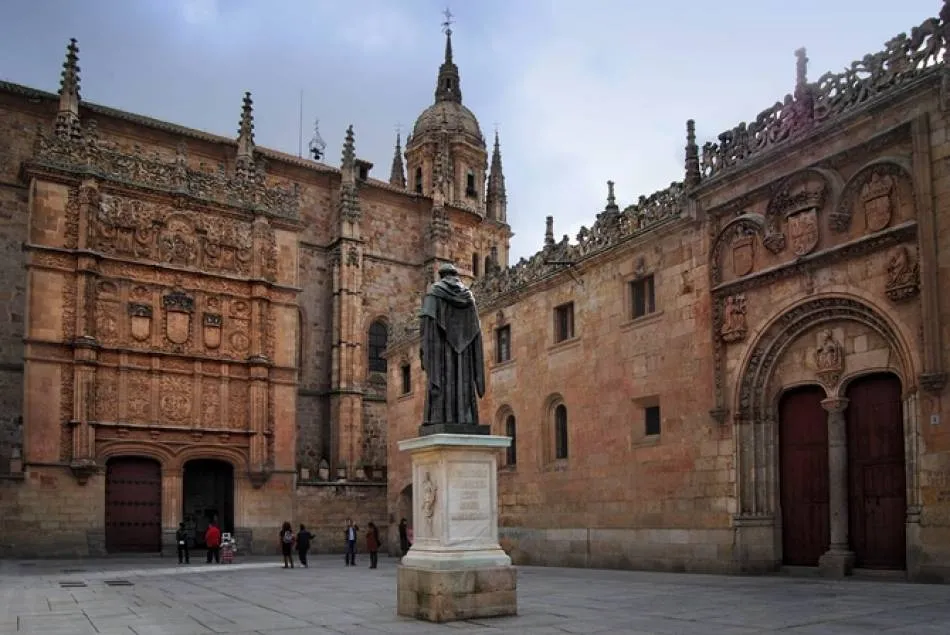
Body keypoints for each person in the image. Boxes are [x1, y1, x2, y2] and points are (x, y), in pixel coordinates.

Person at [419, 263, 487, 433]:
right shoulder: (469, 296)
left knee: (444, 380)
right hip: (464, 355)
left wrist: (425, 350)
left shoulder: (434, 293)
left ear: (442, 276)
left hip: (441, 351)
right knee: (461, 380)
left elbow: (427, 325)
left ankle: (440, 416)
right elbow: (476, 329)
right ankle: (465, 416)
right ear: (455, 276)